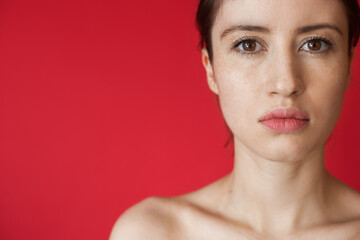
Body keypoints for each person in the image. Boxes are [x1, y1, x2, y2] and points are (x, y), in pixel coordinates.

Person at [110, 0, 360, 239]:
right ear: (211, 68)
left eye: (315, 45)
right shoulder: (151, 233)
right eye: (248, 45)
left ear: (348, 63)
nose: (286, 84)